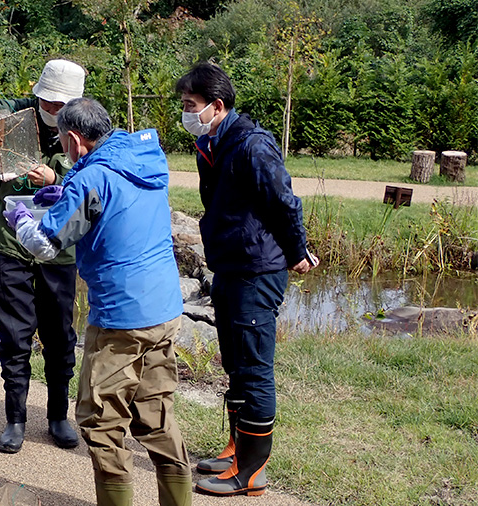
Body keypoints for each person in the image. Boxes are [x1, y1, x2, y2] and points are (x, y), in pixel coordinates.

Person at [4, 98, 193, 506]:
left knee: (101, 423)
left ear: (73, 139)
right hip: (164, 308)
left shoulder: (91, 180)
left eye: (60, 138)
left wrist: (19, 217)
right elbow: (110, 205)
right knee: (156, 416)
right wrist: (66, 192)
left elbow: (45, 246)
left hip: (121, 319)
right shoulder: (142, 156)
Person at [175, 62, 319, 497]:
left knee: (254, 369)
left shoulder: (252, 146)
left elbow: (285, 203)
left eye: (190, 106)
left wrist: (297, 252)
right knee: (235, 365)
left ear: (216, 106)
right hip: (230, 266)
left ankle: (252, 472)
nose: (185, 113)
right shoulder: (211, 142)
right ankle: (238, 450)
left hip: (258, 270)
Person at [0, 53, 84, 453]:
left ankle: (59, 417)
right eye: (46, 101)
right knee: (14, 334)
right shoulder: (14, 114)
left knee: (60, 335)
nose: (50, 110)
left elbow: (100, 174)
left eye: (59, 105)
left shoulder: (89, 125)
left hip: (58, 246)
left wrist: (57, 176)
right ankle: (15, 420)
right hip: (11, 242)